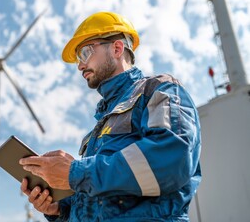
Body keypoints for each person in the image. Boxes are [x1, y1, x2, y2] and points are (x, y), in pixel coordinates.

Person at [19, 11, 201, 221]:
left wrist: (75, 173)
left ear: (117, 48)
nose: (79, 65)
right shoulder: (97, 130)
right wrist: (60, 209)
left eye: (85, 53)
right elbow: (104, 195)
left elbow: (172, 159)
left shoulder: (158, 90)